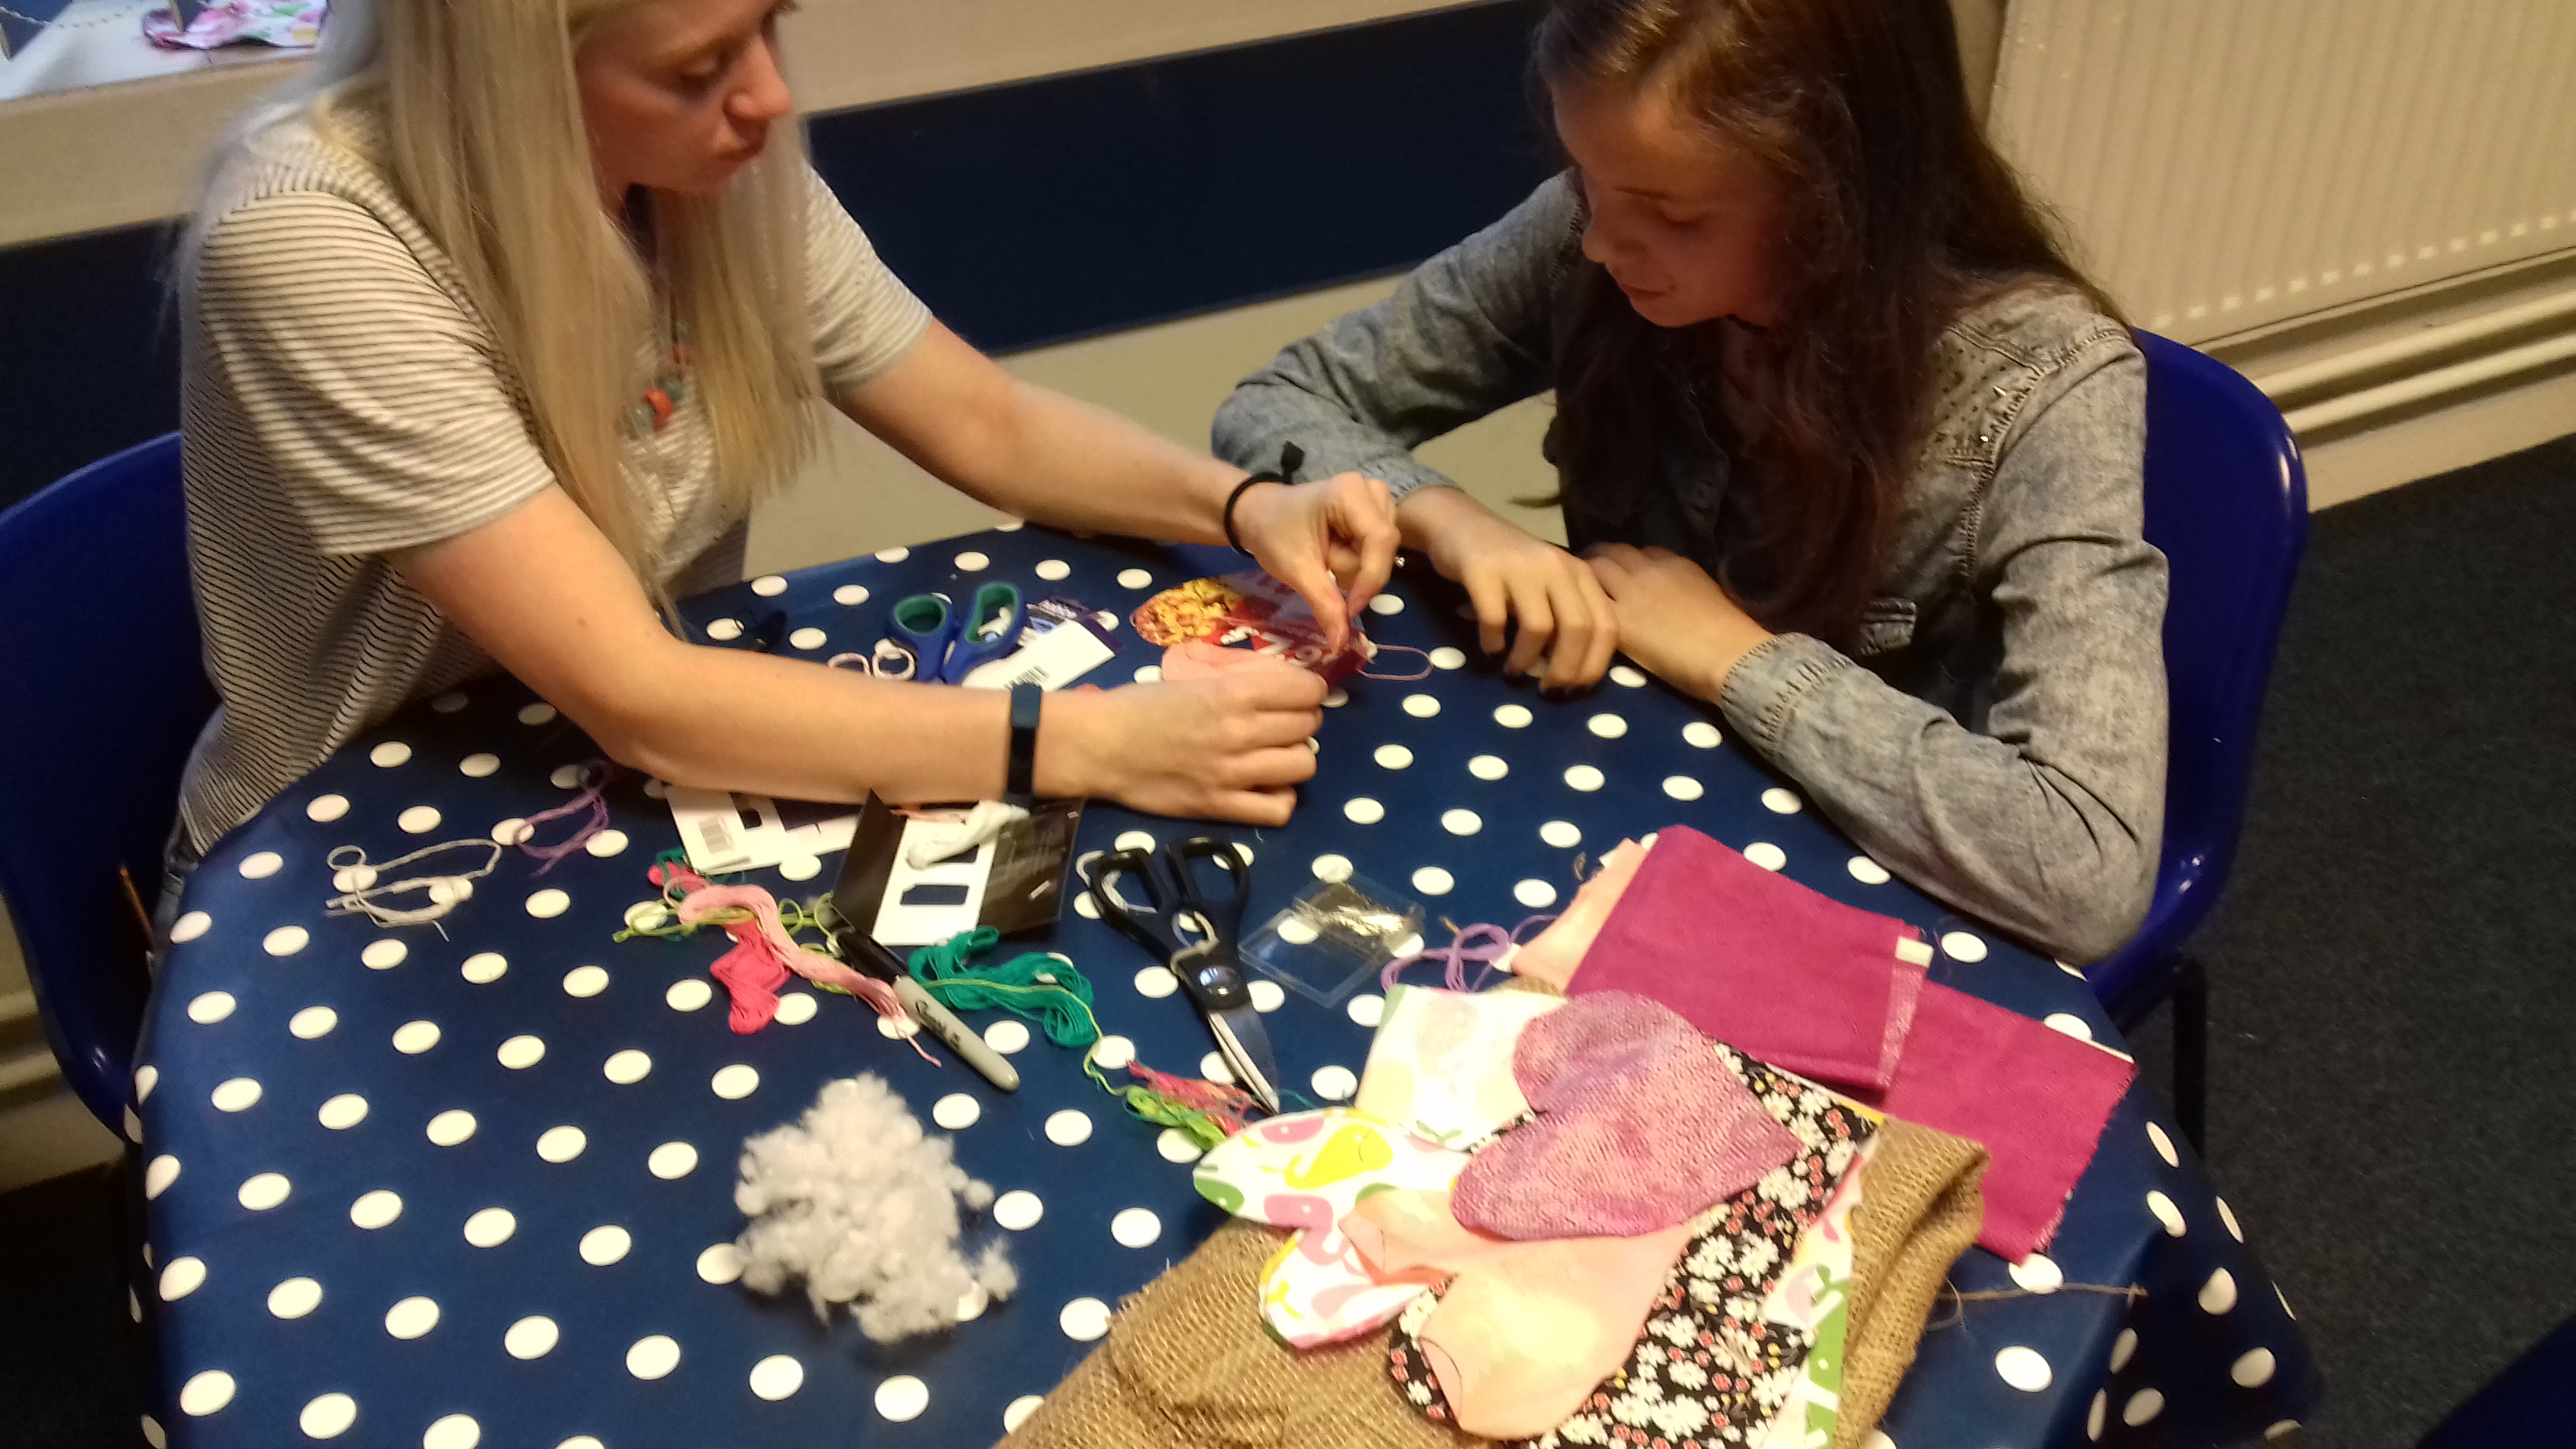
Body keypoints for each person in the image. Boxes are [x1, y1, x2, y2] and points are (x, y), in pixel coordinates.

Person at [170, 0, 1402, 907]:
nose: (767, 97)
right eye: (698, 68)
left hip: (628, 790)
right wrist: (1092, 741)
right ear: (517, 84)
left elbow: (987, 423)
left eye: (770, 26)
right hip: (352, 855)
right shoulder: (311, 239)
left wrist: (1244, 506)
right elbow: (640, 697)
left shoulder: (710, 164)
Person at [1214, 0, 2168, 962]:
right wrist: (1450, 519)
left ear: (1840, 193)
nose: (1599, 243)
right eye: (1585, 181)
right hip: (1616, 807)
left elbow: (2083, 870)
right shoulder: (1593, 226)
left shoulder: (2050, 383)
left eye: (1673, 216)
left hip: (1862, 907)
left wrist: (1736, 658)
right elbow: (1277, 404)